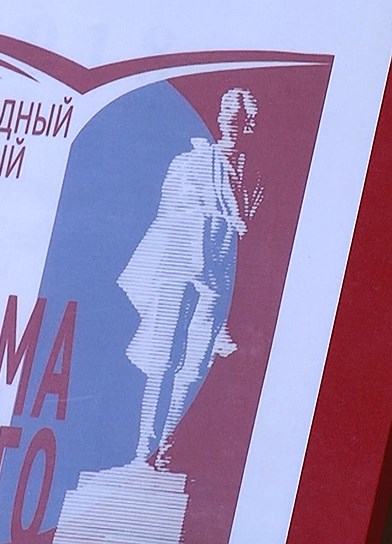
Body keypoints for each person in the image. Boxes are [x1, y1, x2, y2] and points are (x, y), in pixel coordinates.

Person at [118, 87, 262, 469]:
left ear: (249, 123)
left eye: (239, 114)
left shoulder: (254, 178)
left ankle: (166, 446)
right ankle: (143, 448)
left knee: (195, 365)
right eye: (227, 110)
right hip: (180, 268)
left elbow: (253, 237)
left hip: (219, 278)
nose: (232, 119)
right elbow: (170, 213)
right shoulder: (190, 162)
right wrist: (218, 220)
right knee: (162, 357)